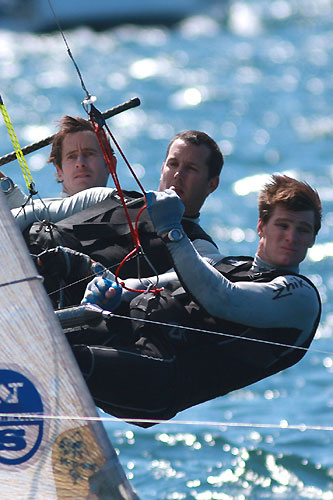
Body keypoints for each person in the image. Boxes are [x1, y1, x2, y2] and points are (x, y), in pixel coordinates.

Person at [70, 174, 322, 427]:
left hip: (156, 378)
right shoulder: (231, 264)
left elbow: (224, 299)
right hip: (128, 335)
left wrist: (172, 231)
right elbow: (159, 281)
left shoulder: (300, 297)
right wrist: (116, 290)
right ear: (261, 227)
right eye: (283, 225)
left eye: (303, 230)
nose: (292, 237)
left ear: (312, 239)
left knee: (63, 358)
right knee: (52, 299)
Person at [27, 130, 224, 306]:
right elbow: (34, 212)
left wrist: (98, 276)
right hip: (27, 259)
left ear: (212, 184)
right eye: (173, 164)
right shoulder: (109, 196)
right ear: (163, 168)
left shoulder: (202, 249)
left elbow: (161, 284)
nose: (178, 174)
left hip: (71, 300)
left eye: (191, 168)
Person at [0, 115, 114, 209]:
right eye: (71, 157)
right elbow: (16, 203)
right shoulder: (38, 215)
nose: (80, 163)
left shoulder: (129, 208)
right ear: (59, 171)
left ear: (111, 164)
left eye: (89, 154)